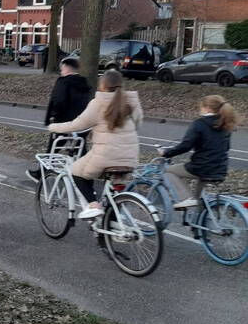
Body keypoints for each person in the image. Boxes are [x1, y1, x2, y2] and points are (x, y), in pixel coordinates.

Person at [47, 69, 143, 220]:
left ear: (102, 85)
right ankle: (110, 226)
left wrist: (53, 127)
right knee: (113, 189)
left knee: (77, 172)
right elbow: (138, 123)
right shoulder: (131, 101)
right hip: (130, 155)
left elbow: (78, 124)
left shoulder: (99, 102)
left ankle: (93, 205)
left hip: (105, 155)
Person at [161, 95, 237, 210]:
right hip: (220, 168)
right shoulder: (225, 123)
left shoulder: (199, 123)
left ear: (207, 108)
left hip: (201, 167)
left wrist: (166, 153)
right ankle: (199, 221)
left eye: (200, 107)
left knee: (168, 171)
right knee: (199, 200)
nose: (199, 109)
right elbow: (226, 147)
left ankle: (186, 198)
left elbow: (185, 146)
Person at [25, 57, 93, 182]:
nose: (61, 70)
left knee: (52, 149)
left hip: (63, 123)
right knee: (80, 149)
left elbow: (59, 101)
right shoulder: (84, 83)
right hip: (81, 124)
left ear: (67, 67)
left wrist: (53, 117)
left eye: (62, 68)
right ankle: (85, 176)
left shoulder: (64, 82)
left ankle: (41, 174)